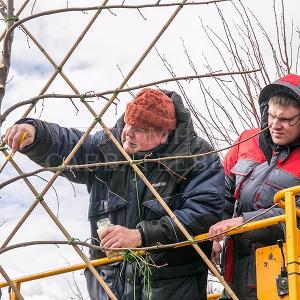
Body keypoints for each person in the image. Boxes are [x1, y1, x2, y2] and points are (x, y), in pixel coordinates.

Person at [5, 88, 225, 300]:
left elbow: (204, 212)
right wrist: (37, 133)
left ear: (162, 135)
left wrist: (140, 236)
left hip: (170, 287)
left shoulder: (197, 158)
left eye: (139, 129)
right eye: (128, 122)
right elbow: (69, 145)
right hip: (109, 287)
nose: (127, 132)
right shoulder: (107, 149)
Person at [208, 74, 300, 300]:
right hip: (234, 270)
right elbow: (221, 194)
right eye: (272, 116)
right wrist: (214, 234)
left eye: (288, 120)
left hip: (284, 272)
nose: (276, 126)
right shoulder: (246, 141)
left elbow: (296, 215)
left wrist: (243, 222)